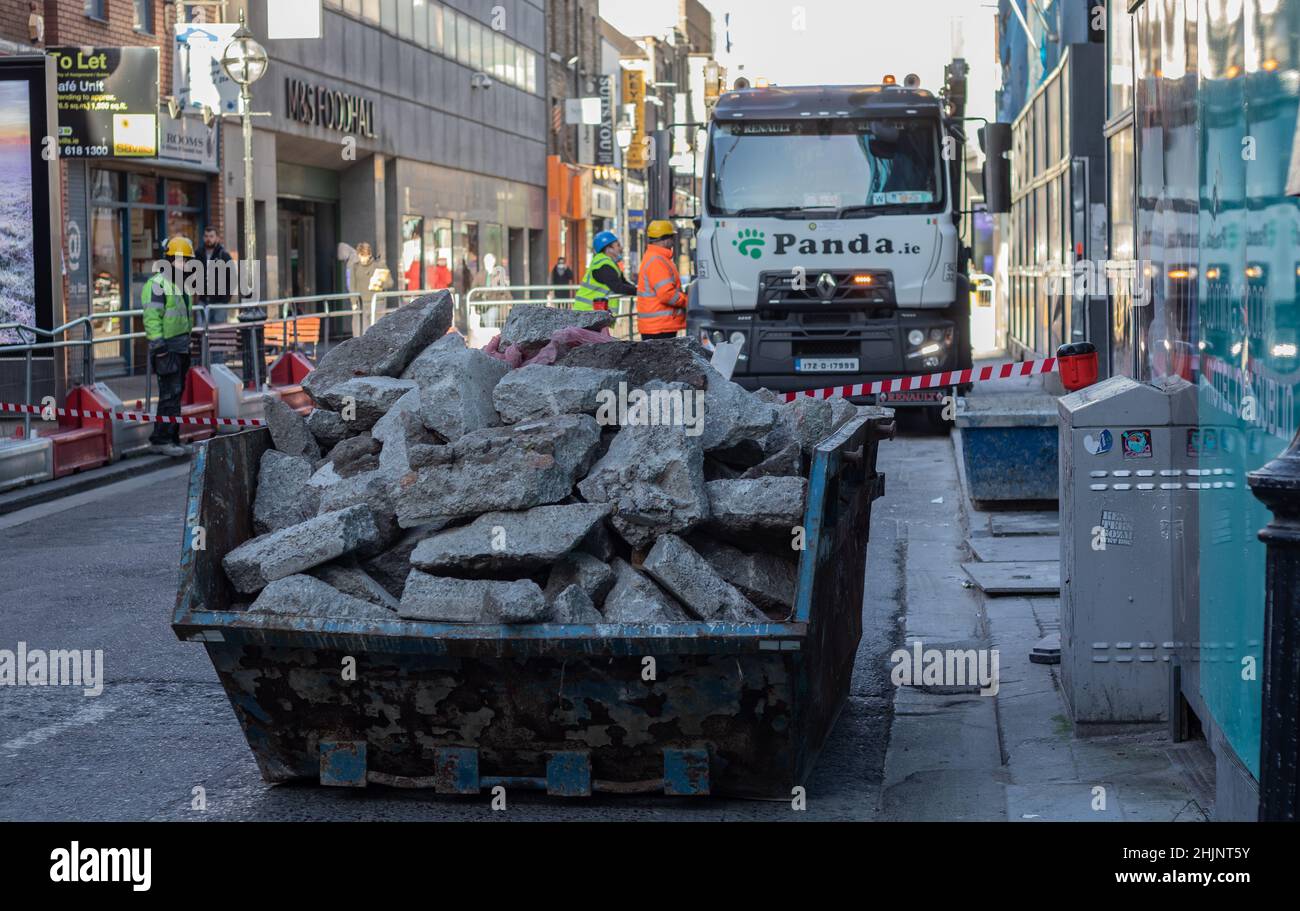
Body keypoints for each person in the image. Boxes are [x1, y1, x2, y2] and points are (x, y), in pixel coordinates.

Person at [143, 237, 196, 458]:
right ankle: (161, 440)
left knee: (175, 395)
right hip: (167, 348)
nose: (186, 265)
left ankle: (172, 438)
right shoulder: (157, 284)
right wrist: (160, 347)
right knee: (169, 394)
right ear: (170, 259)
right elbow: (152, 318)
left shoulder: (179, 284)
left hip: (180, 346)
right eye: (183, 260)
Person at [636, 220, 688, 340]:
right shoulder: (657, 261)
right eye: (671, 237)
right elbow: (666, 294)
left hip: (658, 326)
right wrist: (687, 301)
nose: (673, 242)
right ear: (665, 239)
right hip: (660, 326)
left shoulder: (655, 257)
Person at [575, 231, 637, 312]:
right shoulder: (604, 265)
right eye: (617, 245)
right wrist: (639, 292)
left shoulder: (609, 263)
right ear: (608, 249)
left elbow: (623, 282)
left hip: (593, 312)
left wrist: (638, 290)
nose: (620, 248)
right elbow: (617, 287)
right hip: (589, 312)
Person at [197, 225, 233, 328]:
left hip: (219, 303)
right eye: (206, 236)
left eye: (211, 236)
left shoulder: (223, 255)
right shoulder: (198, 254)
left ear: (217, 238)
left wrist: (225, 299)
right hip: (203, 301)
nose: (208, 239)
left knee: (218, 333)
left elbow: (232, 279)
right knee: (201, 331)